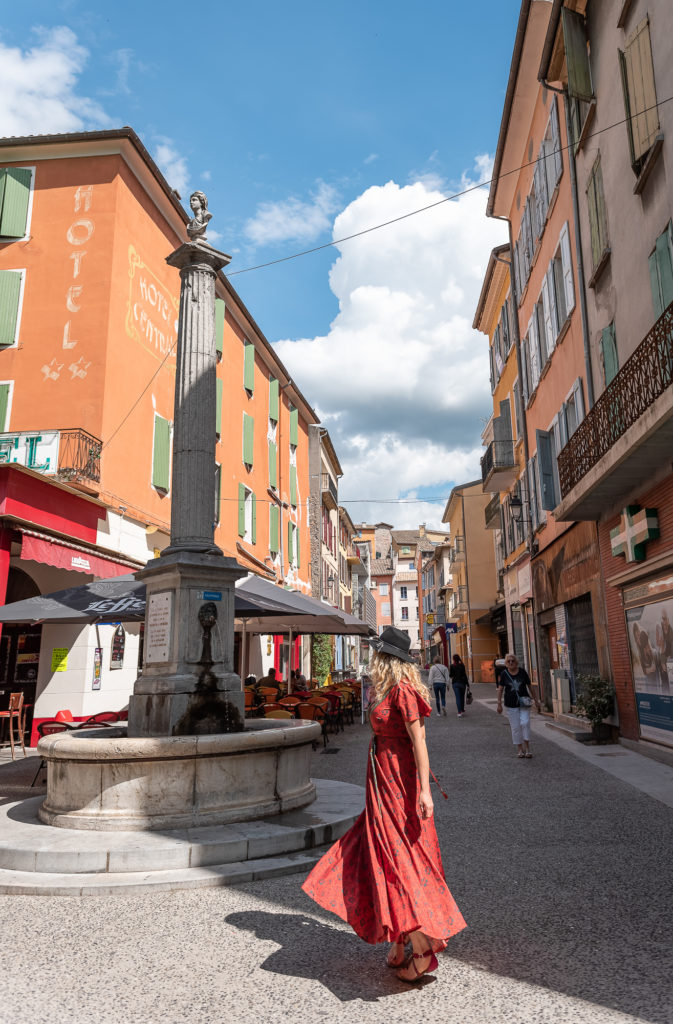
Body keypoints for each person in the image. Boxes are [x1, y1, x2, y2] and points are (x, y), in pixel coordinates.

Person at [302, 625, 466, 983]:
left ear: (386, 659)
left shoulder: (405, 692)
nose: (372, 659)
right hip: (381, 781)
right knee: (377, 853)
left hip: (398, 783)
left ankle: (423, 947)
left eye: (377, 654)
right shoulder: (387, 689)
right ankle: (397, 939)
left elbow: (420, 744)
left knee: (398, 856)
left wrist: (424, 791)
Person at [496, 653, 539, 758]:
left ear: (516, 662)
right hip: (510, 705)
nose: (511, 662)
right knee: (515, 727)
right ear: (506, 663)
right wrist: (499, 704)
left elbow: (530, 686)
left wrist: (536, 700)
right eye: (508, 661)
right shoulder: (504, 674)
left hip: (524, 703)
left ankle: (528, 748)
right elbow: (500, 689)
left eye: (512, 661)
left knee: (525, 723)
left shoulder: (522, 672)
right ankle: (520, 749)